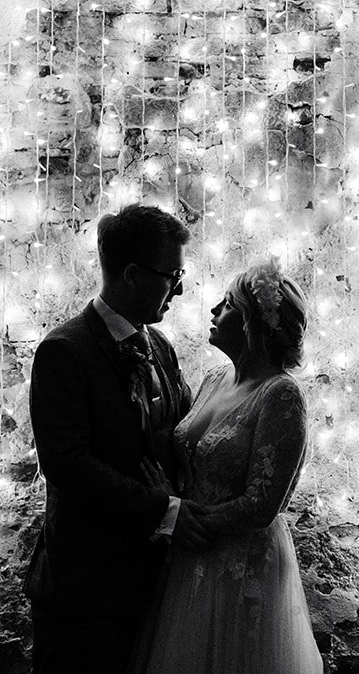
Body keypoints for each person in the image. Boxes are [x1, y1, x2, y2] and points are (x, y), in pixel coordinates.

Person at [25, 204, 214, 674]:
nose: (181, 288)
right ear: (131, 274)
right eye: (172, 275)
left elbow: (176, 433)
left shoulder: (160, 347)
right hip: (86, 593)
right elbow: (68, 465)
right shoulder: (64, 351)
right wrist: (163, 509)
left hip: (152, 585)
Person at [131, 260, 323, 674]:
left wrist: (187, 520)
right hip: (187, 558)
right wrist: (168, 497)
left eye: (227, 305)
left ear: (254, 323)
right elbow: (184, 453)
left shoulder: (281, 396)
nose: (214, 311)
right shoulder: (214, 378)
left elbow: (261, 504)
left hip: (241, 563)